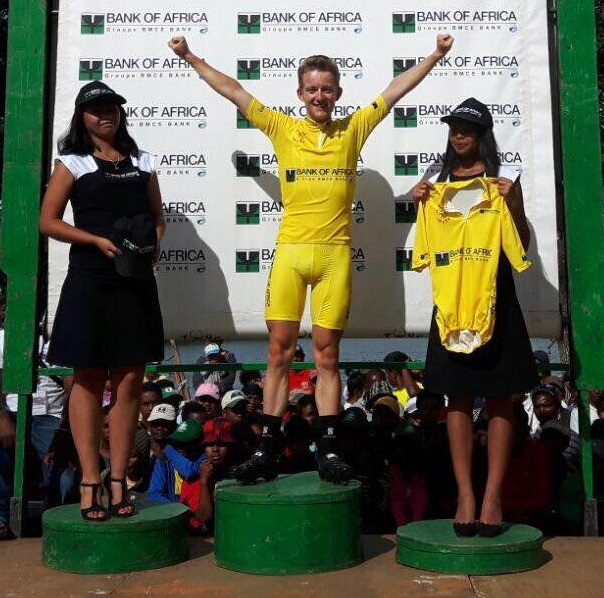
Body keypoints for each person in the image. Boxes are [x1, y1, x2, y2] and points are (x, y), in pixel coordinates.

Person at [168, 33, 454, 484]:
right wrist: (189, 56)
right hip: (292, 255)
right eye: (312, 89)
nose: (320, 96)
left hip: (334, 258)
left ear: (338, 92)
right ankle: (266, 450)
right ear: (300, 94)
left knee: (327, 356)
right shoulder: (283, 128)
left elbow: (396, 89)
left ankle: (329, 449)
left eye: (327, 89)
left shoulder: (353, 128)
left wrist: (435, 55)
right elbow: (234, 90)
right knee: (278, 353)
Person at [412, 97, 538, 537]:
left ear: (483, 134)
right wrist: (419, 202)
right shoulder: (436, 182)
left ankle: (492, 497)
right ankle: (466, 495)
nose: (458, 135)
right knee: (457, 398)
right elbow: (425, 246)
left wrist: (513, 203)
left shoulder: (504, 179)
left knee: (502, 397)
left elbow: (521, 243)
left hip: (496, 297)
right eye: (453, 128)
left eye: (467, 129)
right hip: (452, 304)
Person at [39, 81, 165, 520]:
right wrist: (93, 239)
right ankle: (90, 479)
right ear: (82, 117)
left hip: (134, 280)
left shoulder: (143, 160)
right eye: (95, 109)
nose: (105, 115)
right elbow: (48, 221)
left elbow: (158, 216)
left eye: (111, 107)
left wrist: (154, 245)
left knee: (130, 379)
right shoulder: (72, 162)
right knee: (88, 378)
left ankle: (118, 480)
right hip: (90, 279)